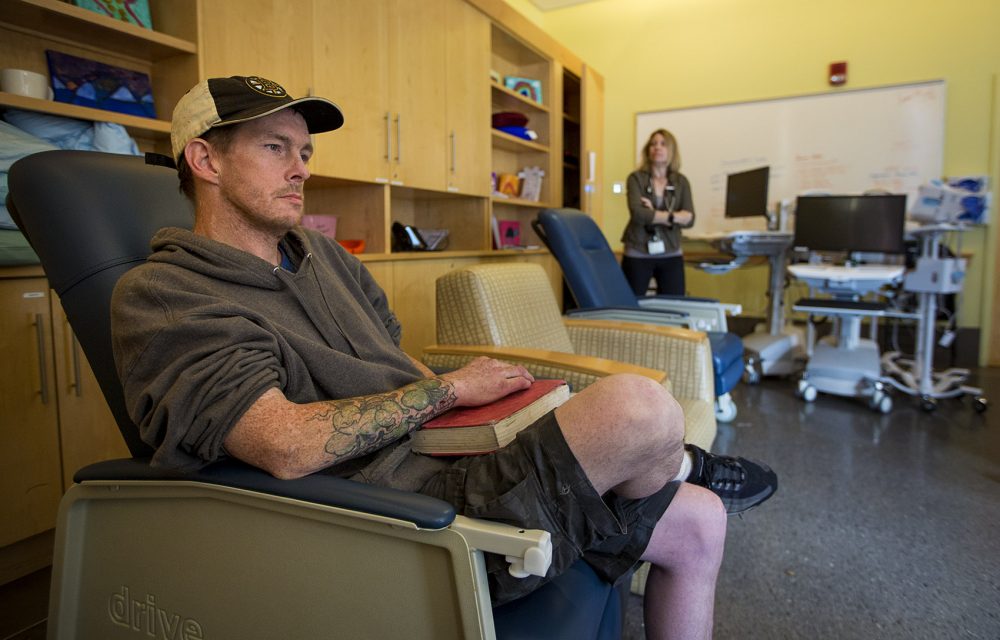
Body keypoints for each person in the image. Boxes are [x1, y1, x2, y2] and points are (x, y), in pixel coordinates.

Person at [111, 75, 777, 639]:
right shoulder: (165, 294)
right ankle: (683, 462)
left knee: (700, 523)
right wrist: (453, 391)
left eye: (305, 151)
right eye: (274, 148)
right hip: (395, 517)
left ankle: (674, 471)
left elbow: (393, 366)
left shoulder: (327, 259)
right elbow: (285, 445)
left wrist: (480, 403)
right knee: (638, 409)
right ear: (205, 161)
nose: (302, 168)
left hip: (457, 458)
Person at [621, 129, 695, 297]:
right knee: (631, 304)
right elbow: (638, 215)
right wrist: (673, 217)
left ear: (671, 150)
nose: (657, 147)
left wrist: (653, 213)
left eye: (663, 144)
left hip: (671, 251)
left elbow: (690, 219)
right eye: (653, 144)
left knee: (674, 304)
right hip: (638, 250)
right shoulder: (636, 179)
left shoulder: (681, 182)